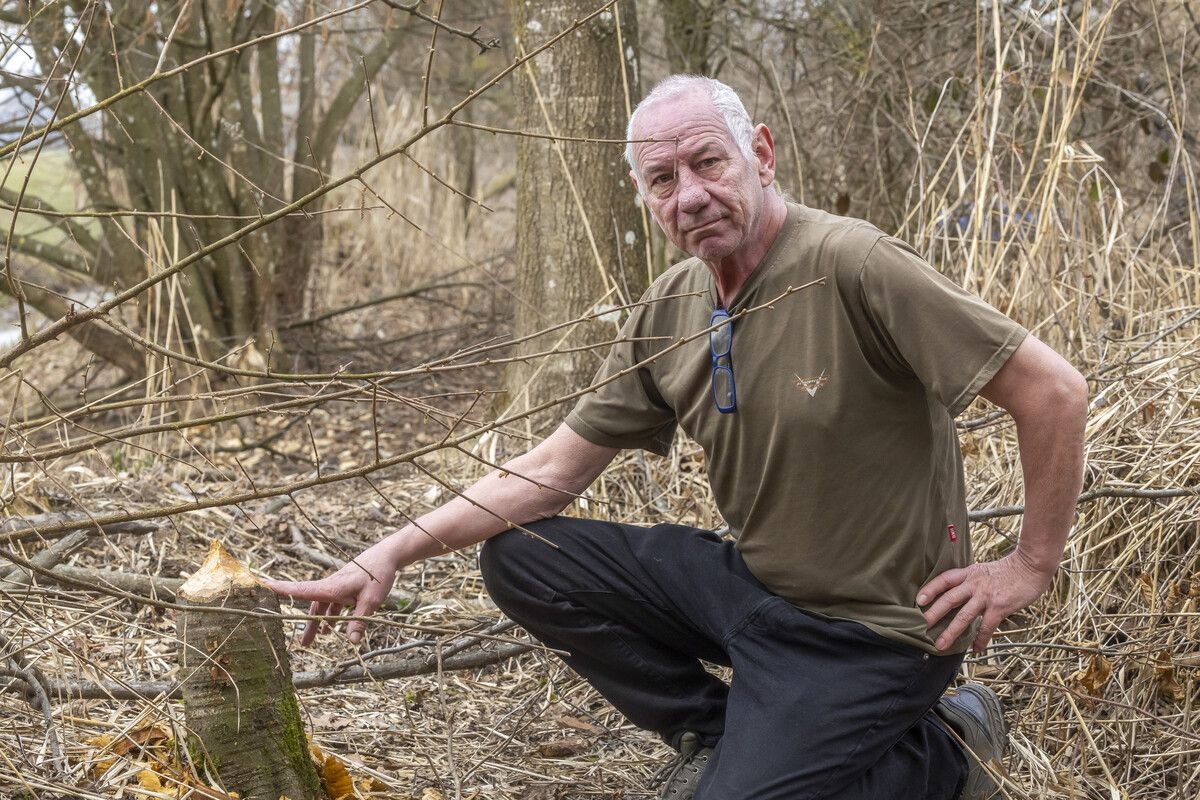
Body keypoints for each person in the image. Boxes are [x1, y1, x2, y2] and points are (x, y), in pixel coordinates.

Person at [267, 75, 1088, 800]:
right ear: (644, 196)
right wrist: (391, 551)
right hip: (754, 592)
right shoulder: (670, 306)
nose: (689, 194)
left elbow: (1053, 391)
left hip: (877, 635)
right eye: (662, 179)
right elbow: (553, 468)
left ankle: (949, 748)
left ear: (760, 154)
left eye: (708, 162)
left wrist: (1029, 565)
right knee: (523, 557)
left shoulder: (855, 264)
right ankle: (723, 731)